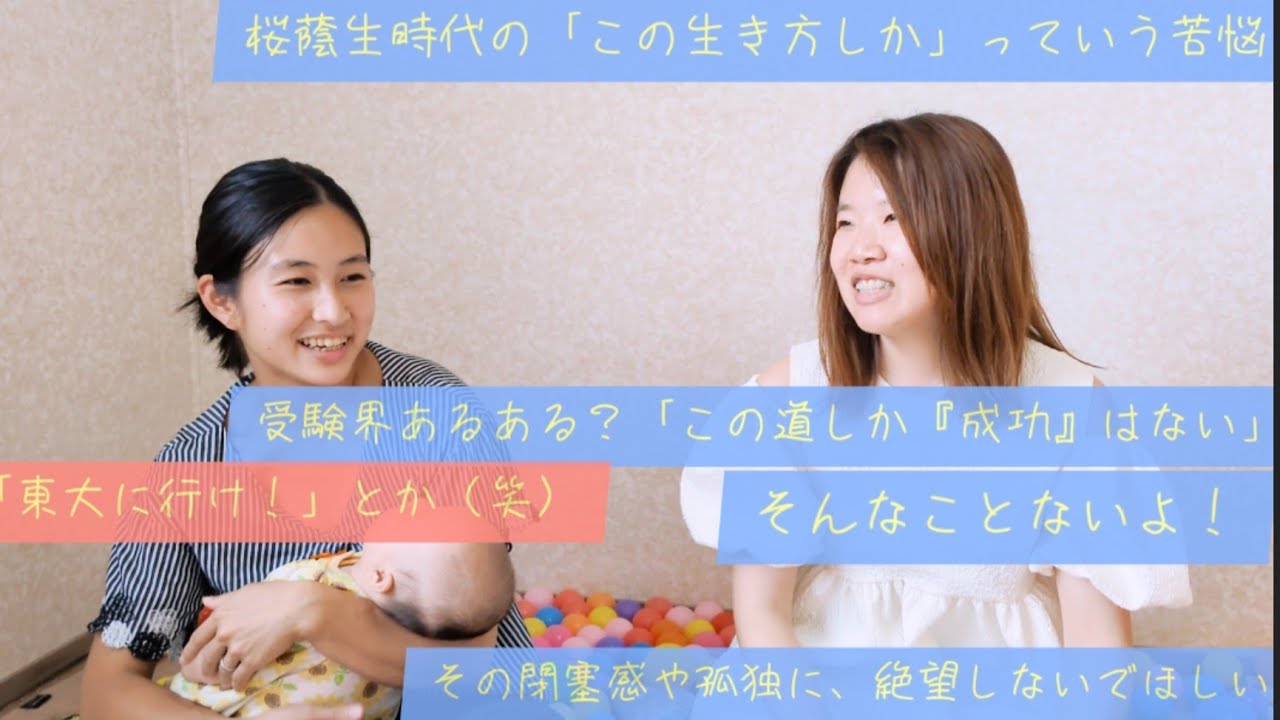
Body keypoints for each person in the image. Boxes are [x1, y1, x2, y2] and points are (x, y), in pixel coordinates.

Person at [679, 113, 1193, 648]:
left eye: (893, 218)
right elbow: (763, 620)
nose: (860, 248)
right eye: (846, 223)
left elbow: (1097, 650)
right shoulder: (792, 395)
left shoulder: (1069, 406)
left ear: (971, 233)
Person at [81, 158, 534, 720]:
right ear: (222, 301)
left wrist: (310, 610)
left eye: (353, 277)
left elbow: (475, 654)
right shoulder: (190, 468)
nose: (334, 311)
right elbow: (108, 690)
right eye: (296, 280)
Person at [163, 532, 516, 718]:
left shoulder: (309, 578)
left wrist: (197, 661)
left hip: (210, 699)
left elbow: (208, 653)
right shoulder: (414, 642)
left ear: (379, 577)